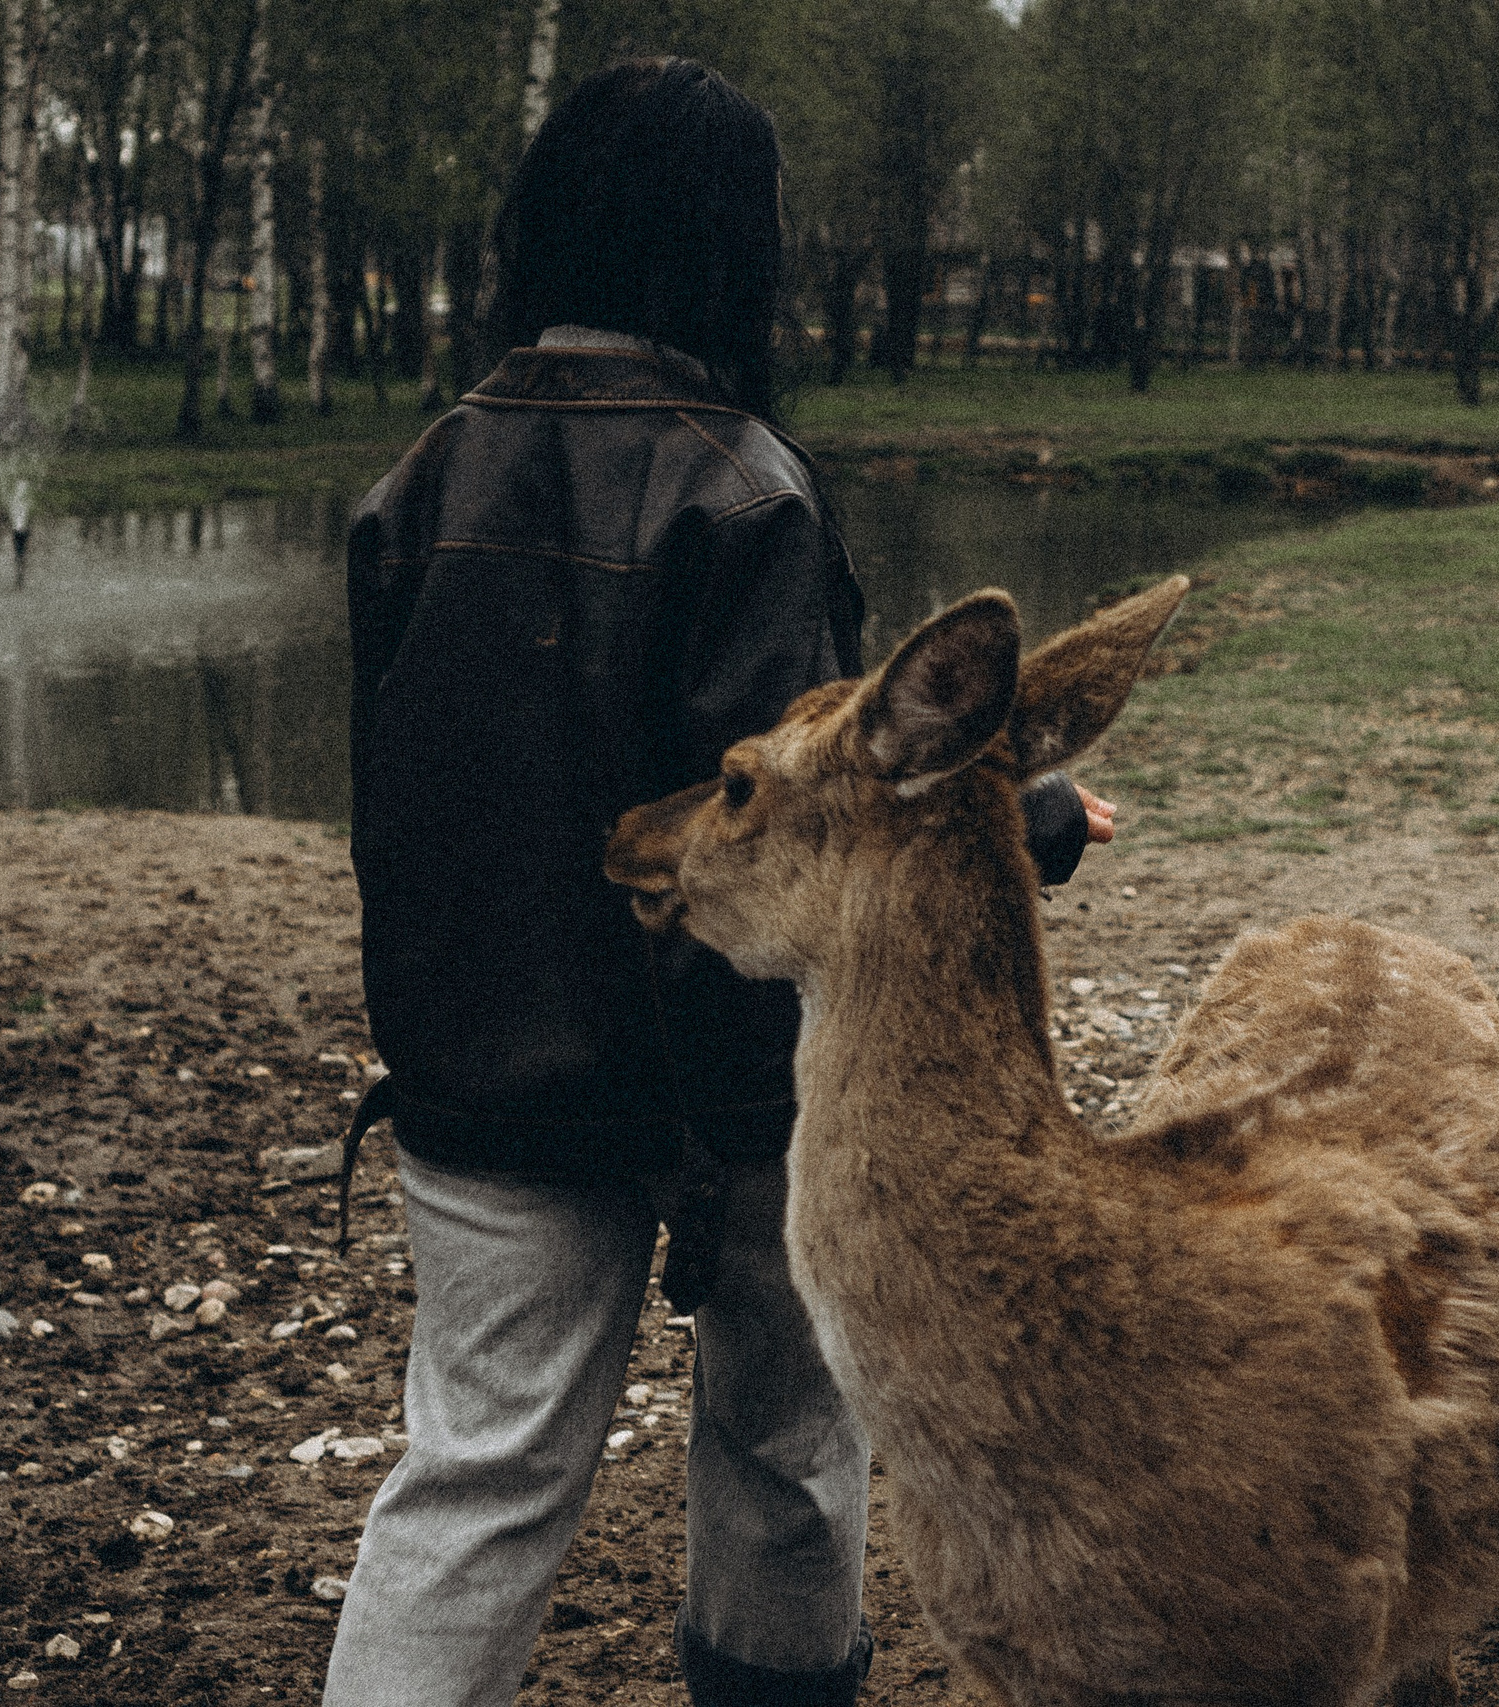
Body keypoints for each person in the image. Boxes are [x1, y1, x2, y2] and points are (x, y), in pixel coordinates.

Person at [327, 57, 1109, 1707]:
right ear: (724, 247)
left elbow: (399, 824)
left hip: (482, 1090)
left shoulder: (414, 480)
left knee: (474, 1479)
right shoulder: (744, 488)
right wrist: (1028, 826)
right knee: (786, 1454)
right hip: (743, 1097)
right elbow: (817, 825)